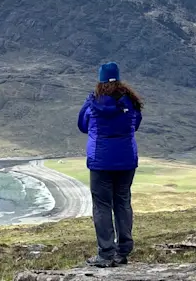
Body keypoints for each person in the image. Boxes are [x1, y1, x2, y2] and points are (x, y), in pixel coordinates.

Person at [78, 62, 143, 267]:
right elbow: (137, 124)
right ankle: (122, 252)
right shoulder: (131, 104)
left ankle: (106, 254)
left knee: (102, 206)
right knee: (122, 202)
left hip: (101, 162)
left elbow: (82, 125)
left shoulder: (92, 104)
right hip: (126, 161)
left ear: (100, 80)